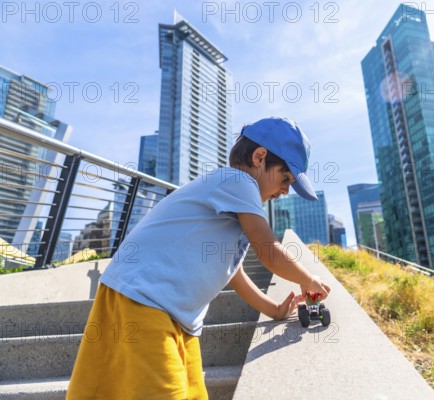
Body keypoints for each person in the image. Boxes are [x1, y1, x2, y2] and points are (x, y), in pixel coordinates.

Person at [66, 117, 331, 399]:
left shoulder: (234, 205)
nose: (285, 191)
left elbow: (234, 273)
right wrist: (309, 279)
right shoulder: (238, 181)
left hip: (176, 318)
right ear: (259, 157)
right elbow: (268, 252)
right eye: (285, 178)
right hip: (143, 302)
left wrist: (274, 309)